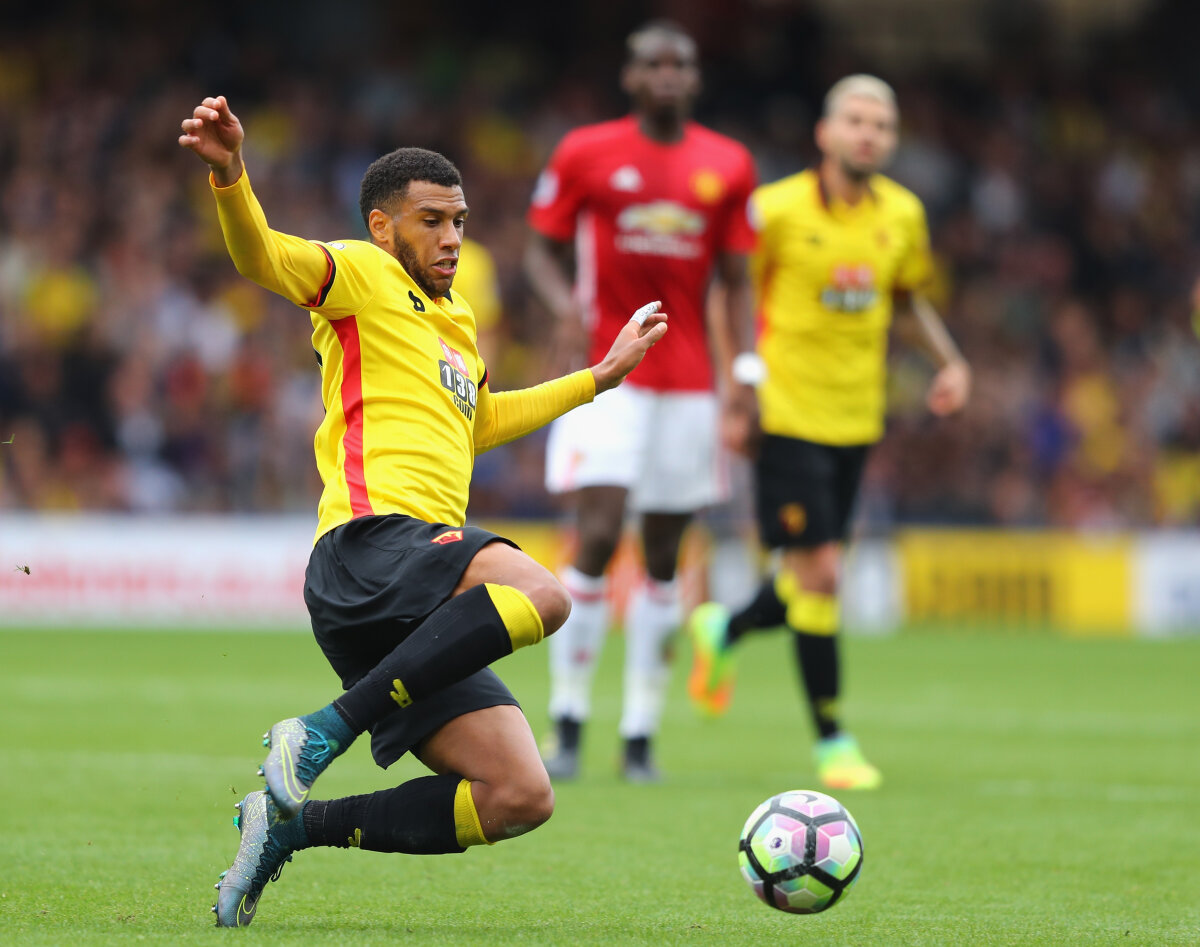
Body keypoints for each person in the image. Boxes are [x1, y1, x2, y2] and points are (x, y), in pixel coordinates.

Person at [179, 95, 668, 928]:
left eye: (460, 223)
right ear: (382, 227)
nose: (451, 239)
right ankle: (323, 731)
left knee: (518, 793)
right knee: (545, 593)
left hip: (414, 601)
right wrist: (231, 176)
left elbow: (481, 422)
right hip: (370, 546)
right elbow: (262, 257)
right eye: (432, 221)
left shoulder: (458, 320)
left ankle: (293, 827)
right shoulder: (359, 275)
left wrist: (599, 377)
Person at [687, 74, 972, 791]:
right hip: (785, 413)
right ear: (826, 132)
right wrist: (739, 389)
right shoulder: (776, 210)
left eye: (882, 124)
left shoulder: (903, 214)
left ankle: (724, 629)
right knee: (821, 575)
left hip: (857, 418)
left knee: (802, 579)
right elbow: (727, 293)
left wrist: (950, 361)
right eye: (856, 120)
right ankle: (832, 739)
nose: (868, 134)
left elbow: (904, 299)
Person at [524, 20, 756, 782]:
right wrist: (564, 305)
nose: (667, 75)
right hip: (606, 373)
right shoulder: (585, 152)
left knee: (663, 556)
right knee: (596, 534)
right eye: (653, 64)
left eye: (679, 64)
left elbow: (739, 280)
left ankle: (639, 735)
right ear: (630, 76)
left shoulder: (728, 164)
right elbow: (539, 248)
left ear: (695, 77)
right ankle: (567, 723)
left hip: (688, 385)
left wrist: (745, 372)